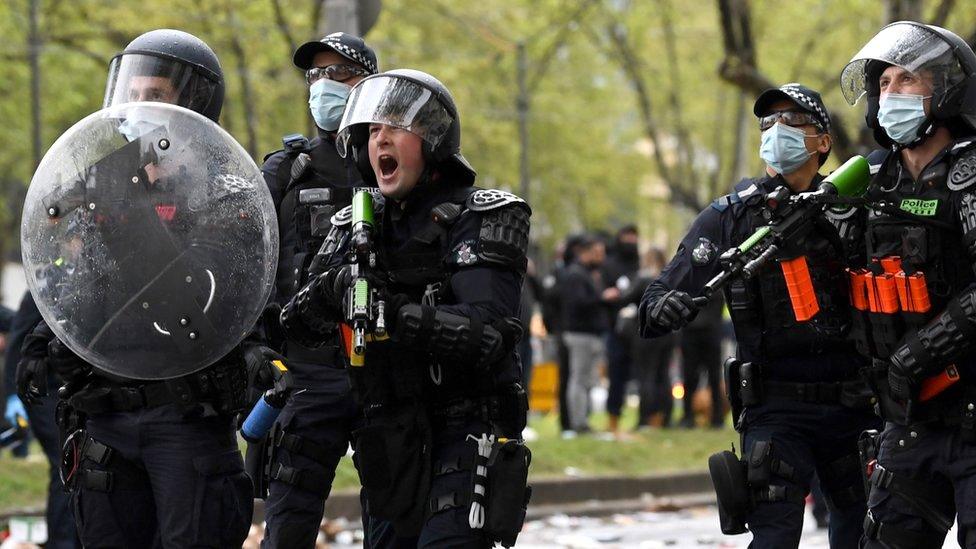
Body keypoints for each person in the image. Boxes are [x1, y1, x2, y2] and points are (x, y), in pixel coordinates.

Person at [17, 29, 268, 548]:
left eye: (154, 97)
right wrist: (48, 334)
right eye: (131, 96)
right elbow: (83, 286)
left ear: (193, 104)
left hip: (185, 416)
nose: (138, 110)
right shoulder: (100, 191)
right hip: (105, 415)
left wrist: (129, 216)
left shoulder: (227, 197)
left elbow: (208, 295)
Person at [280, 68, 531, 548]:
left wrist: (394, 314)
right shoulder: (353, 225)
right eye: (372, 130)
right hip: (388, 436)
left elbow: (489, 333)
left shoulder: (484, 214)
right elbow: (295, 325)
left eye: (396, 125)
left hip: (464, 430)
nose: (381, 139)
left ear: (432, 139)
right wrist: (332, 289)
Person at [639, 83, 879, 548]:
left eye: (792, 121)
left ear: (823, 142)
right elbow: (655, 302)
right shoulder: (732, 216)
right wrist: (667, 306)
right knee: (774, 535)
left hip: (855, 401)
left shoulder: (856, 207)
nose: (776, 131)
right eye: (768, 123)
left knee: (864, 532)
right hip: (775, 405)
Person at [838, 21, 976, 548]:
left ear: (942, 88)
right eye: (884, 83)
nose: (890, 92)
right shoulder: (871, 180)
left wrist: (913, 354)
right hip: (908, 420)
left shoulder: (969, 172)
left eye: (906, 80)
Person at [254, 32, 377, 549]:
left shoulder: (395, 163)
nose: (323, 86)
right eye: (315, 75)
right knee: (290, 518)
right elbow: (248, 264)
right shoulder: (286, 170)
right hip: (306, 368)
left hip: (382, 370)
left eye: (338, 74)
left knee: (396, 515)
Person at [4, 293, 78, 548]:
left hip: (73, 393)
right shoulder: (43, 288)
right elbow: (17, 342)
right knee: (65, 465)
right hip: (42, 393)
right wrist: (12, 395)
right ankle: (63, 542)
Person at [560, 235, 613, 436]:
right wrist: (602, 297)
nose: (600, 258)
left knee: (587, 380)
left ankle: (583, 420)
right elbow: (578, 303)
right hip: (580, 334)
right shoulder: (575, 274)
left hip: (589, 334)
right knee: (579, 379)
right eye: (597, 253)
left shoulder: (587, 274)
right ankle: (578, 423)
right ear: (584, 252)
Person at [602, 226, 640, 435]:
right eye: (627, 237)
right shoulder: (610, 264)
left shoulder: (638, 263)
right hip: (616, 329)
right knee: (616, 375)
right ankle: (613, 418)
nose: (631, 242)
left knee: (640, 375)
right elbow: (604, 293)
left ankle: (646, 419)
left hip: (638, 328)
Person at [677, 292, 725, 428]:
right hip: (710, 334)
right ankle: (716, 417)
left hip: (694, 334)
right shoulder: (715, 283)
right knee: (712, 378)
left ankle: (689, 417)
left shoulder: (688, 282)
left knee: (690, 378)